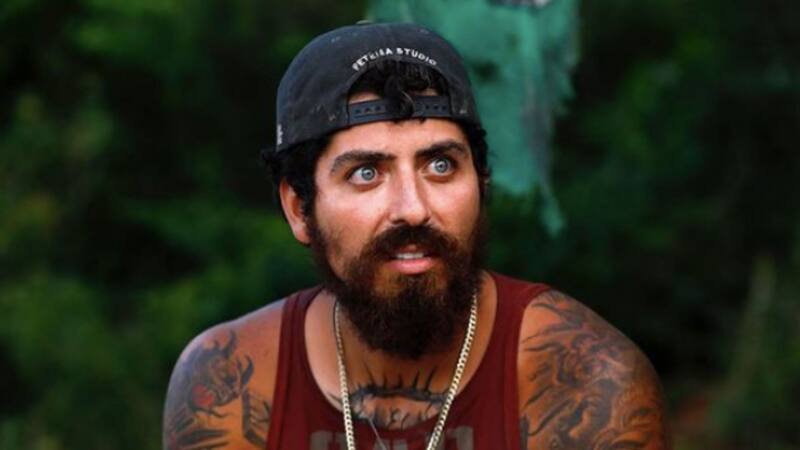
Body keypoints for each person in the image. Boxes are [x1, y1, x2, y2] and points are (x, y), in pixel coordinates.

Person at [162, 22, 670, 450]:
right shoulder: (231, 381)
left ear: (482, 183)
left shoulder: (588, 380)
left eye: (441, 165)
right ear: (299, 208)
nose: (413, 209)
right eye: (366, 173)